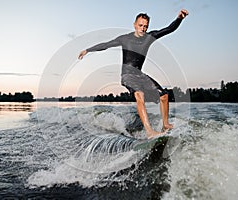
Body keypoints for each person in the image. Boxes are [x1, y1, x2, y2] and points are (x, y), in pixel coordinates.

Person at [78, 9, 189, 139]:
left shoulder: (149, 37)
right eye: (140, 25)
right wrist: (87, 50)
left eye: (145, 26)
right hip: (127, 75)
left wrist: (179, 18)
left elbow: (169, 29)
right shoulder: (125, 39)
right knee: (139, 94)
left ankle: (165, 124)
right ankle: (149, 131)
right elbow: (106, 45)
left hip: (139, 74)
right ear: (135, 25)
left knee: (164, 96)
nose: (143, 29)